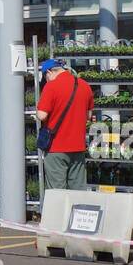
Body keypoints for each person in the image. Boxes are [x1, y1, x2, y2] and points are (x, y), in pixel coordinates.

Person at [35, 58, 93, 192]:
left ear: (49, 72)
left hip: (57, 148)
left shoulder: (51, 86)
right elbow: (89, 116)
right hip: (78, 147)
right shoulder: (84, 85)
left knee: (57, 193)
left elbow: (42, 115)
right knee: (77, 191)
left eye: (46, 77)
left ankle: (58, 214)